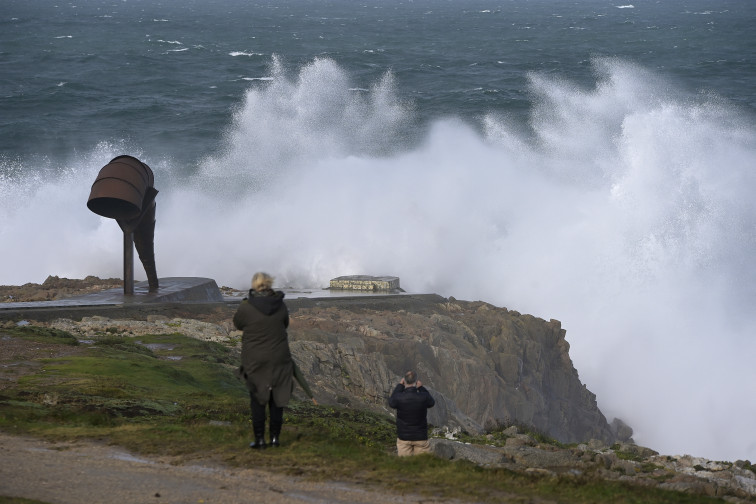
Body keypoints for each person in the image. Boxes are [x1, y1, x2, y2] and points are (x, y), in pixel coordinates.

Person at [233, 272, 294, 449]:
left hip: (255, 360)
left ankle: (259, 440)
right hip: (279, 358)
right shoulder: (280, 305)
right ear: (269, 284)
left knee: (258, 399)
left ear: (254, 285)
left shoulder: (246, 306)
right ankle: (275, 439)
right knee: (277, 400)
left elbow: (238, 324)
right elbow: (285, 324)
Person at [388, 370, 436, 456]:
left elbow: (392, 402)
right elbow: (431, 402)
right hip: (420, 437)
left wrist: (400, 386)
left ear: (404, 381)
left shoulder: (399, 398)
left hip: (404, 438)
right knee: (423, 464)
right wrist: (421, 388)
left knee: (405, 466)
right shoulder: (423, 397)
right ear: (416, 382)